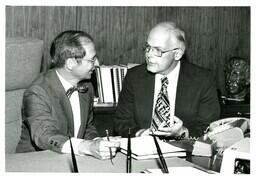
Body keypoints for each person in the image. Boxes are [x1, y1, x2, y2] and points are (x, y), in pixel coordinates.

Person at [16, 30, 120, 160]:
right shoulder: (37, 92)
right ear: (71, 63)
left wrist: (97, 142)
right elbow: (44, 136)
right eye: (92, 59)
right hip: (36, 160)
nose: (97, 64)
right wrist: (86, 147)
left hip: (72, 158)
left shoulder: (87, 86)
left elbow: (87, 126)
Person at [114, 22, 220, 139]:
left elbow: (210, 128)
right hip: (143, 151)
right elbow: (121, 123)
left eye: (158, 50)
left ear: (177, 54)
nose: (149, 54)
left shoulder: (203, 80)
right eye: (148, 47)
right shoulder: (134, 77)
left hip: (184, 152)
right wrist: (140, 134)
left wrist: (183, 133)